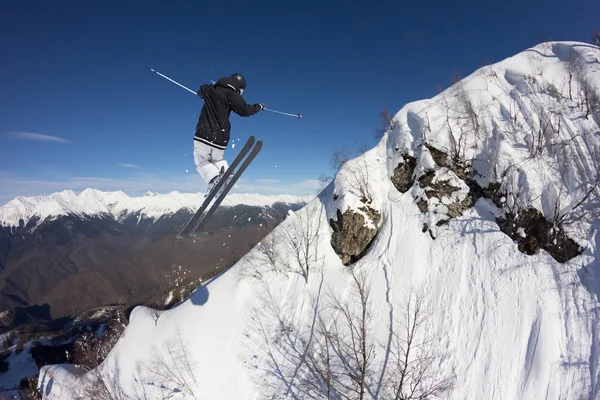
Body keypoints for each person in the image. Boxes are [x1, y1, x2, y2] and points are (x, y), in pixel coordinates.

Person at [194, 73, 264, 193]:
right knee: (217, 160)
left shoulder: (211, 89)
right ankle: (226, 173)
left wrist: (207, 95)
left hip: (204, 134)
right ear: (239, 87)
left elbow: (200, 90)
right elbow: (245, 110)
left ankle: (215, 179)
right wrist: (258, 107)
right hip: (221, 137)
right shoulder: (232, 95)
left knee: (202, 161)